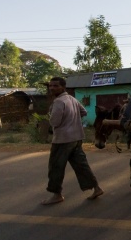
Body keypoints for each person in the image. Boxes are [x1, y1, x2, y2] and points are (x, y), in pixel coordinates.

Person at [41, 76, 104, 205]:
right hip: (76, 138)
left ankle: (56, 194)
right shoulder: (72, 99)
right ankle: (96, 188)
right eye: (50, 86)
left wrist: (56, 119)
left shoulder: (59, 102)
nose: (52, 88)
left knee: (55, 167)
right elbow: (84, 112)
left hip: (62, 140)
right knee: (81, 165)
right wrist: (72, 120)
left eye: (55, 86)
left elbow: (54, 122)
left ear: (63, 87)